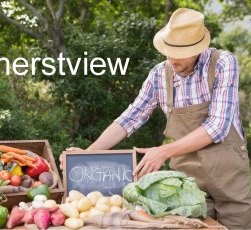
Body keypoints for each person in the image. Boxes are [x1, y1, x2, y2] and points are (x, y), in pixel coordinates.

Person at [60, 8, 251, 229]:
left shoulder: (222, 63)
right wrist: (87, 155)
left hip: (228, 172)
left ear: (199, 48)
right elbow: (130, 118)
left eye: (179, 53)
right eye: (167, 51)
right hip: (187, 182)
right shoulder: (160, 74)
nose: (171, 59)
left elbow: (217, 126)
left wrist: (163, 151)